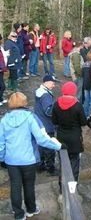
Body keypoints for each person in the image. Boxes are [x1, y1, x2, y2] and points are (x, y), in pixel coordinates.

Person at [0, 92, 62, 220]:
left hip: (12, 160)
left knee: (15, 187)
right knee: (29, 185)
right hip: (28, 159)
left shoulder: (4, 120)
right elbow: (41, 139)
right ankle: (31, 209)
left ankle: (18, 214)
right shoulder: (30, 117)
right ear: (24, 102)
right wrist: (59, 146)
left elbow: (1, 142)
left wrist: (2, 158)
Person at [52, 81, 87, 192]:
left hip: (61, 137)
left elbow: (54, 121)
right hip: (75, 138)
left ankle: (62, 188)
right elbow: (83, 122)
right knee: (74, 163)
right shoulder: (77, 105)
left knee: (63, 163)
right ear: (73, 92)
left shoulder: (56, 104)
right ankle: (72, 188)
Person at [34, 75, 57, 175]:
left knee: (40, 146)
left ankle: (40, 166)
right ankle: (50, 168)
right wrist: (57, 108)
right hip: (47, 124)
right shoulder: (45, 95)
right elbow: (48, 111)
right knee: (49, 147)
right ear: (46, 82)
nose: (54, 85)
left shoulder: (39, 92)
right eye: (52, 83)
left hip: (40, 123)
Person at [82, 50, 91, 117]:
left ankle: (85, 114)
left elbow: (82, 74)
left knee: (86, 101)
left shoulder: (84, 64)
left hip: (85, 84)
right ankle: (90, 116)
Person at [0, 34, 7, 106]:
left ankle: (1, 98)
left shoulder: (0, 48)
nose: (2, 40)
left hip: (1, 69)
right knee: (2, 86)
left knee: (2, 86)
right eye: (1, 39)